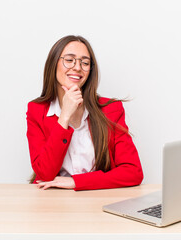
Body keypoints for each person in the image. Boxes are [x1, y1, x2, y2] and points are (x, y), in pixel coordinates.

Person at [26, 35, 143, 191]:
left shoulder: (111, 109)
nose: (77, 67)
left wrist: (77, 182)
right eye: (69, 60)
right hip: (53, 201)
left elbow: (133, 172)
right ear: (53, 63)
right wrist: (64, 117)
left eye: (85, 62)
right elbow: (44, 174)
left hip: (96, 198)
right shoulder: (37, 110)